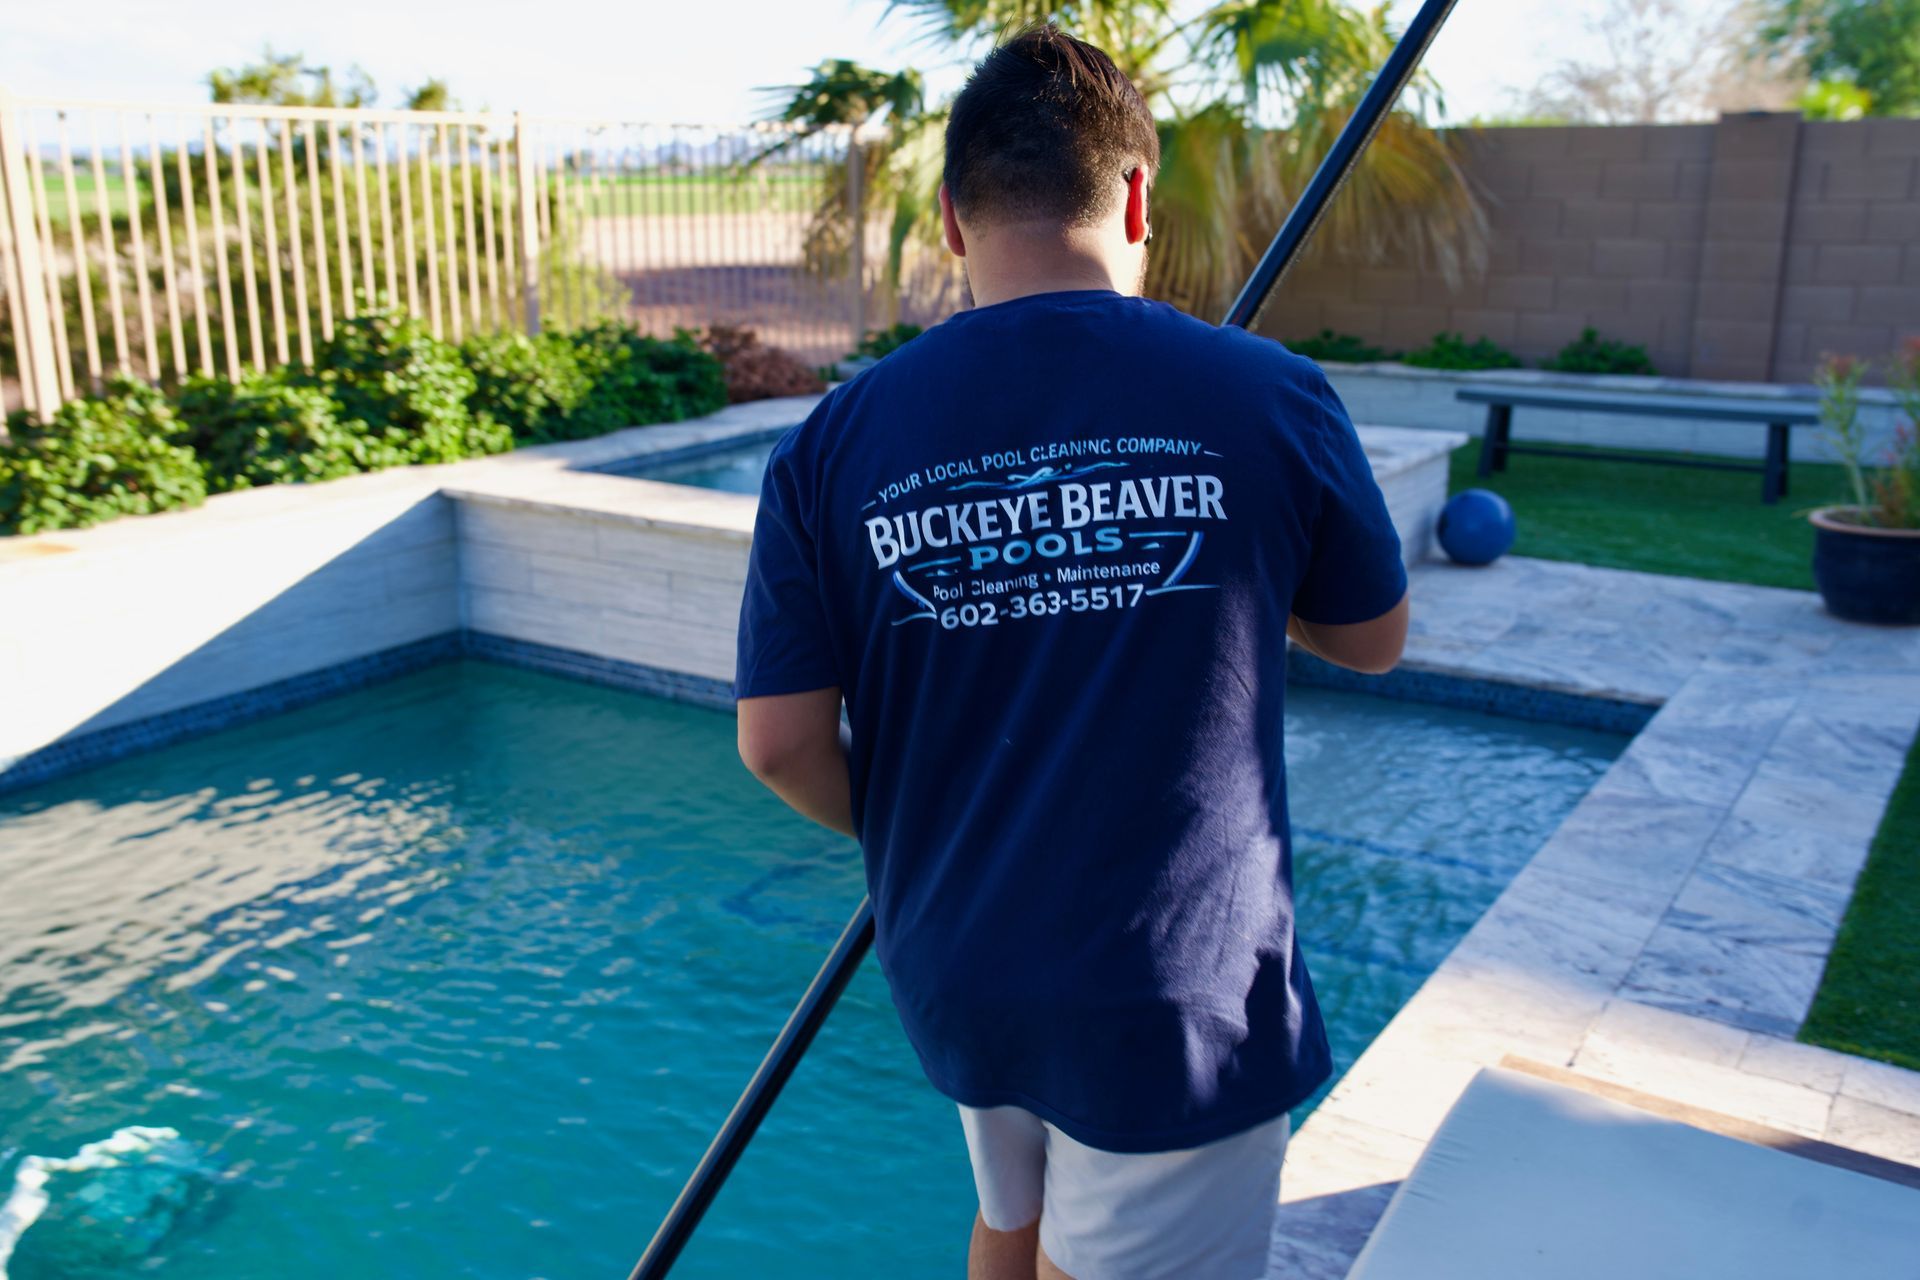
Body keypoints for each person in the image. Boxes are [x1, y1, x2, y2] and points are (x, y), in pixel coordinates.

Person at [731, 22, 1410, 1280]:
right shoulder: (1269, 394)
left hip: (957, 958)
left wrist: (925, 833)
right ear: (1138, 191)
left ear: (948, 218)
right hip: (1173, 988)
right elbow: (1372, 639)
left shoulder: (831, 440)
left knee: (1014, 1220)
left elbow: (776, 743)